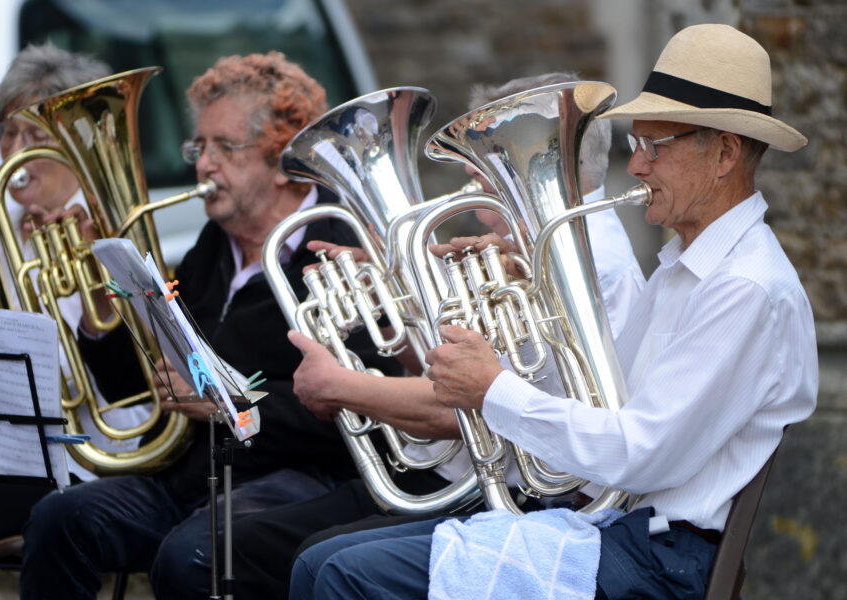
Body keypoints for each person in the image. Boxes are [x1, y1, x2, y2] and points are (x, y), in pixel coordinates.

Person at [290, 24, 818, 600]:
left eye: (654, 147)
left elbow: (635, 453)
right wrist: (526, 291)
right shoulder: (687, 266)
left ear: (724, 153)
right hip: (617, 531)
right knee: (319, 562)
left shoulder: (744, 286)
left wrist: (493, 388)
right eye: (635, 146)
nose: (637, 167)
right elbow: (603, 407)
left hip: (655, 561)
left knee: (342, 573)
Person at [222, 71, 645, 600]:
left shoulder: (586, 264)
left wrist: (342, 386)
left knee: (311, 563)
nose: (471, 178)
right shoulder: (520, 254)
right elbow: (442, 376)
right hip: (482, 481)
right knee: (282, 553)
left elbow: (465, 404)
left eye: (490, 160)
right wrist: (392, 302)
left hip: (536, 499)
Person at [19, 51, 400, 600]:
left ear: (281, 159)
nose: (202, 165)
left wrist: (236, 402)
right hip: (194, 472)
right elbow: (133, 384)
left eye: (225, 147)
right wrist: (100, 307)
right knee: (60, 518)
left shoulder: (340, 246)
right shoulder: (209, 250)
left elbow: (361, 410)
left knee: (193, 556)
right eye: (199, 147)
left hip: (300, 479)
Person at [0, 42, 145, 565]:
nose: (17, 148)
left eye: (35, 133)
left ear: (73, 143)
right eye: (8, 132)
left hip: (88, 455)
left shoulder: (114, 233)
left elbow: (135, 378)